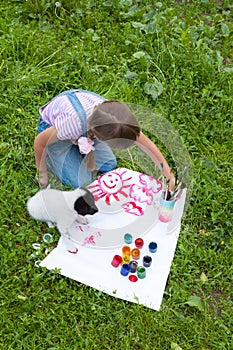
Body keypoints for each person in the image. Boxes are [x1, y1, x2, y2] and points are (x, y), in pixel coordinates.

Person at [34, 89, 175, 190]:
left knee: (109, 165)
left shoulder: (117, 120)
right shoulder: (71, 125)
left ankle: (80, 146)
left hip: (86, 127)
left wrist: (167, 173)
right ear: (99, 136)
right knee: (81, 181)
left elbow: (146, 144)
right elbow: (40, 142)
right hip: (54, 131)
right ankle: (64, 151)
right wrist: (42, 173)